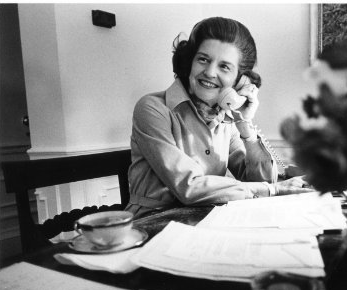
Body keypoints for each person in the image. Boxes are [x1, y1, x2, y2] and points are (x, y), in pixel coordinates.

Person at [126, 17, 312, 218]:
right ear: (190, 62)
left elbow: (262, 179)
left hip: (209, 218)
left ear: (239, 80)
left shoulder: (227, 119)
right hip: (153, 221)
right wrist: (272, 190)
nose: (209, 72)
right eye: (203, 59)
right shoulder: (152, 108)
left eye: (224, 66)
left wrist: (244, 123)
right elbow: (188, 186)